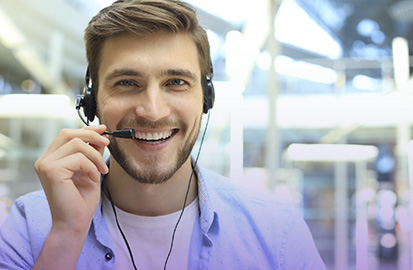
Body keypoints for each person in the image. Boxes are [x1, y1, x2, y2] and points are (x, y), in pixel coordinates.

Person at [0, 0, 326, 269]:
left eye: (176, 82)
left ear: (206, 99)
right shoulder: (30, 227)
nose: (153, 112)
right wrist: (67, 235)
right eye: (127, 83)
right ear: (91, 101)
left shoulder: (278, 233)